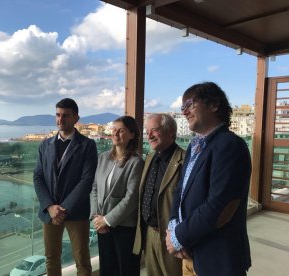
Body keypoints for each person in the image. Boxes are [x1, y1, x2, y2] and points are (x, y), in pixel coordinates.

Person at [166, 82, 252, 276]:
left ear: (213, 105)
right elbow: (180, 190)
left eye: (190, 104)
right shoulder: (195, 145)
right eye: (182, 107)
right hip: (190, 253)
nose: (184, 111)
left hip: (217, 259)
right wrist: (173, 227)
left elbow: (219, 206)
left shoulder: (229, 145)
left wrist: (178, 236)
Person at [33, 98, 98, 276]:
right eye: (58, 115)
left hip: (76, 212)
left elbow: (87, 180)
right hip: (50, 212)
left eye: (66, 116)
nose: (60, 120)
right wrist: (49, 206)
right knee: (51, 258)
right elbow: (38, 176)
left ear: (76, 118)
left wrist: (63, 209)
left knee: (82, 260)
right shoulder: (45, 145)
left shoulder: (87, 145)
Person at [90, 116, 144, 276]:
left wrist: (107, 220)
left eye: (121, 131)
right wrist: (96, 217)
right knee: (107, 269)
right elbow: (94, 188)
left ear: (132, 135)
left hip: (124, 228)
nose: (116, 134)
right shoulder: (103, 157)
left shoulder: (136, 162)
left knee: (125, 270)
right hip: (102, 226)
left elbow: (131, 198)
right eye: (114, 130)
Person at [133, 113, 185, 276]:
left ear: (170, 131)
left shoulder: (184, 160)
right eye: (147, 131)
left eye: (154, 130)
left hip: (171, 236)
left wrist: (181, 237)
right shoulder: (149, 158)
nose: (149, 135)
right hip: (148, 233)